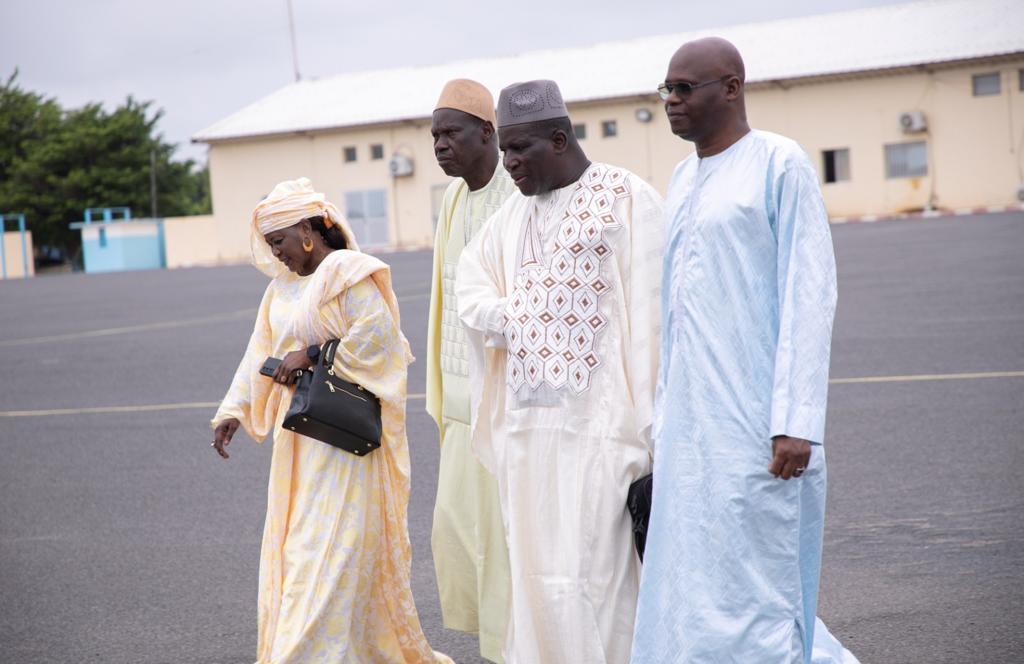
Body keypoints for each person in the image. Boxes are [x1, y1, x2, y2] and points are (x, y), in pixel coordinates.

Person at [631, 38, 858, 664]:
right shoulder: (682, 178)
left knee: (760, 580)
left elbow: (809, 296)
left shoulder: (779, 164)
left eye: (685, 89)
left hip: (758, 425)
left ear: (731, 87)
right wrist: (663, 415)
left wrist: (796, 421)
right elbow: (675, 312)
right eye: (666, 90)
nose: (671, 102)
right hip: (690, 428)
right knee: (695, 578)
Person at [455, 79, 663, 664]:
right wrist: (517, 314)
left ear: (560, 137)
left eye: (521, 149)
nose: (510, 163)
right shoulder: (510, 220)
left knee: (598, 582)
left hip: (604, 434)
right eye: (507, 150)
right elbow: (471, 291)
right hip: (527, 440)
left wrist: (656, 434)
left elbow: (654, 320)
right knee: (537, 581)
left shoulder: (627, 200)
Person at [210, 178, 451, 664]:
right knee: (300, 548)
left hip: (342, 444)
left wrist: (315, 353)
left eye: (279, 242)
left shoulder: (347, 272)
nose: (277, 254)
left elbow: (380, 339)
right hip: (298, 437)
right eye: (270, 245)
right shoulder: (280, 290)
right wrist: (234, 410)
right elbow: (261, 349)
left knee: (325, 553)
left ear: (307, 230)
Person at [425, 79, 516, 663]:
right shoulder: (453, 199)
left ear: (487, 132)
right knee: (456, 533)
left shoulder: (518, 190)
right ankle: (494, 644)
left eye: (450, 132)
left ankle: (517, 649)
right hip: (459, 404)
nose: (439, 146)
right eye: (433, 135)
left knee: (507, 541)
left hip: (506, 402)